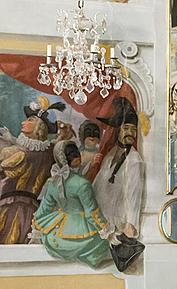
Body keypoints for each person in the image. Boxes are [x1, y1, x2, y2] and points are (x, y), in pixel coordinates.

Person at [31, 141, 111, 268]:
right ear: (63, 159)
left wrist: (36, 229)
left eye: (76, 152)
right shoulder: (82, 184)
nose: (76, 155)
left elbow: (44, 209)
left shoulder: (53, 182)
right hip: (82, 234)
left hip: (55, 239)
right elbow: (91, 213)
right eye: (70, 154)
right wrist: (105, 229)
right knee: (101, 244)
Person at [0, 97, 63, 244]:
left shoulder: (18, 153)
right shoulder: (48, 152)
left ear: (39, 126)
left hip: (9, 209)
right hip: (32, 211)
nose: (23, 122)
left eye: (30, 120)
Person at [93, 97, 145, 240]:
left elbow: (134, 194)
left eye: (134, 129)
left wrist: (131, 223)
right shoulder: (111, 153)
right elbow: (98, 184)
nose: (130, 133)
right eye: (126, 128)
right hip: (99, 218)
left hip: (116, 222)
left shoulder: (134, 160)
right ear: (118, 130)